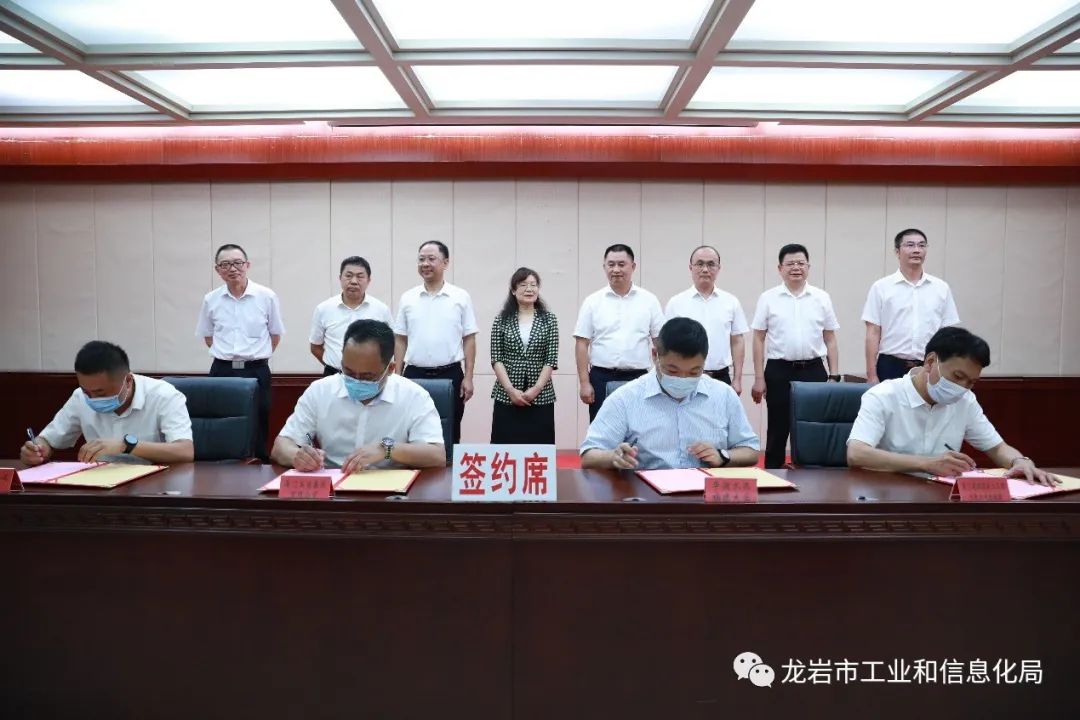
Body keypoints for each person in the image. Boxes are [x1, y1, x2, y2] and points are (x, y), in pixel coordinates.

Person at [847, 327, 1057, 486]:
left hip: (940, 499)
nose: (962, 388)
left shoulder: (966, 401)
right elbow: (856, 453)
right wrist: (926, 463)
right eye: (957, 376)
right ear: (930, 362)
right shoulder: (883, 396)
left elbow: (997, 447)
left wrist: (1019, 461)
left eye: (971, 382)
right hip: (887, 496)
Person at [580, 317, 759, 471]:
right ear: (655, 355)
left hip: (704, 494)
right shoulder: (625, 398)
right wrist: (613, 456)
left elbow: (750, 450)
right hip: (647, 494)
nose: (683, 378)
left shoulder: (723, 395)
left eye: (694, 372)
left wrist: (723, 456)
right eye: (672, 371)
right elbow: (589, 455)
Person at [273, 319, 446, 474]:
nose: (356, 380)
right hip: (334, 486)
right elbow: (281, 446)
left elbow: (437, 455)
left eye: (367, 376)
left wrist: (387, 449)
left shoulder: (414, 396)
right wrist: (298, 456)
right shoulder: (320, 391)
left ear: (390, 369)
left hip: (391, 491)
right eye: (348, 372)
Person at [20, 341, 193, 466]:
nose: (92, 398)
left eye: (100, 393)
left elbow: (185, 451)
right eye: (86, 391)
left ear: (128, 381)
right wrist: (37, 450)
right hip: (101, 483)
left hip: (154, 485)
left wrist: (125, 446)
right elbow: (48, 440)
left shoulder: (164, 395)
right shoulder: (80, 397)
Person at [751, 243, 840, 468]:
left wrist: (834, 375)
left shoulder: (821, 297)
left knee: (814, 425)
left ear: (808, 267)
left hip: (813, 369)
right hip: (779, 370)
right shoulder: (768, 298)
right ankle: (773, 474)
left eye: (801, 263)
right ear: (780, 268)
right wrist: (759, 377)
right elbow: (758, 338)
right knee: (777, 426)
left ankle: (812, 475)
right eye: (790, 263)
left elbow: (830, 338)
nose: (796, 267)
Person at [196, 243, 284, 462]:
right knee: (220, 420)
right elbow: (208, 337)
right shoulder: (211, 299)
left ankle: (258, 465)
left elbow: (275, 335)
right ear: (218, 270)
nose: (232, 268)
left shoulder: (266, 296)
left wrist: (254, 356)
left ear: (247, 265)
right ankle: (223, 465)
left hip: (256, 370)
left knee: (259, 419)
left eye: (237, 263)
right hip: (222, 370)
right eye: (225, 264)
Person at [393, 240, 479, 445]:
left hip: (450, 373)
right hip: (414, 373)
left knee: (451, 430)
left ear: (445, 263)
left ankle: (449, 465)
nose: (425, 264)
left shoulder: (460, 297)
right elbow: (400, 339)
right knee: (412, 429)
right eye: (421, 259)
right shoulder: (408, 298)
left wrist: (468, 377)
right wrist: (397, 376)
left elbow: (469, 338)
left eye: (431, 259)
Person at [574, 243, 664, 422]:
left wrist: (662, 378)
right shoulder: (592, 301)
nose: (616, 269)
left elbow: (660, 342)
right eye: (611, 264)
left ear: (633, 266)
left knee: (640, 429)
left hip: (639, 378)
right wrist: (584, 383)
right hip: (601, 378)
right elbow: (581, 344)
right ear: (604, 267)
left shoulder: (649, 300)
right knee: (603, 429)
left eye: (621, 264)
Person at [863, 228, 960, 383]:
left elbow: (947, 333)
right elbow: (873, 332)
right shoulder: (881, 287)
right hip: (890, 365)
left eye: (921, 245)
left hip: (929, 365)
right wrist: (871, 375)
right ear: (897, 252)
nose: (916, 250)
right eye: (910, 245)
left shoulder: (941, 288)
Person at [665, 245, 749, 393]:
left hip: (720, 377)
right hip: (685, 378)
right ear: (690, 268)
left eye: (711, 264)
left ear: (718, 268)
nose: (705, 269)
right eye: (699, 264)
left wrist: (737, 379)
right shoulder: (676, 303)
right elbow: (667, 343)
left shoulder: (731, 302)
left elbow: (737, 341)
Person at [489, 267, 559, 444]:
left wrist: (536, 389)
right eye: (523, 285)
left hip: (541, 395)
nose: (529, 289)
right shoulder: (501, 320)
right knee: (505, 447)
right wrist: (510, 390)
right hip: (507, 395)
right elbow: (496, 359)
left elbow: (551, 359)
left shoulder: (549, 319)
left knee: (539, 448)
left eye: (533, 285)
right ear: (513, 290)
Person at [310, 256, 392, 376]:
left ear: (368, 280)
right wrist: (334, 365)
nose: (354, 281)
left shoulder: (381, 310)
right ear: (340, 278)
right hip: (334, 374)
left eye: (360, 276)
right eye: (348, 276)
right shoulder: (323, 309)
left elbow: (390, 345)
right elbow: (315, 346)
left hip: (370, 378)